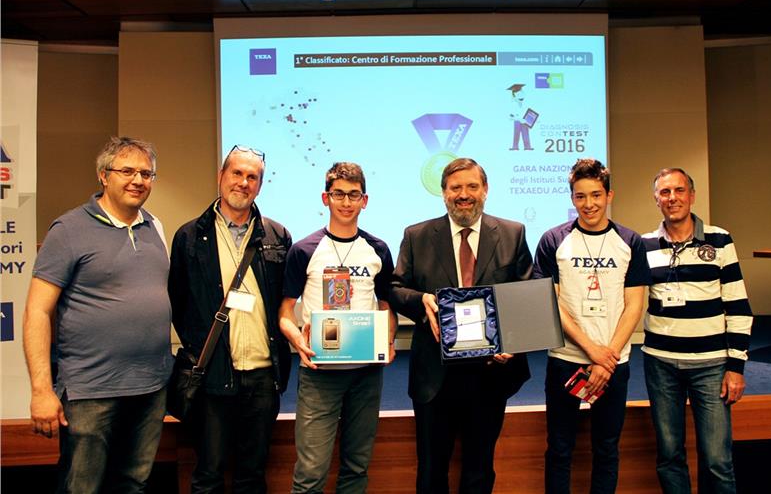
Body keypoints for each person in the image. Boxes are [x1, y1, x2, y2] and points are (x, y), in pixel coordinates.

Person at [22, 136, 172, 493]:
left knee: (133, 484)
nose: (138, 180)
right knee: (82, 487)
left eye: (146, 173)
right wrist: (41, 389)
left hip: (151, 387)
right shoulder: (69, 229)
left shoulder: (155, 226)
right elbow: (37, 311)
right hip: (91, 390)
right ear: (104, 176)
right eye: (127, 171)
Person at [388, 157, 533, 493]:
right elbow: (395, 289)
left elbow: (526, 294)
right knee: (431, 472)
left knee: (479, 471)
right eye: (455, 188)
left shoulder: (512, 233)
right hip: (435, 375)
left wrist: (512, 342)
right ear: (443, 193)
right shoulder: (417, 236)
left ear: (485, 190)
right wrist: (421, 301)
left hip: (490, 373)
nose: (464, 194)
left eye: (472, 186)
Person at [168, 144, 292, 493]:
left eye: (252, 177)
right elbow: (178, 301)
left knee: (252, 475)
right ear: (220, 176)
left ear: (260, 186)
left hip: (263, 377)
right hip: (213, 374)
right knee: (209, 474)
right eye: (236, 173)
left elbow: (284, 300)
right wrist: (201, 348)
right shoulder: (189, 236)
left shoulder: (277, 235)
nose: (243, 182)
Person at [533, 158, 650, 494]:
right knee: (559, 448)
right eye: (580, 196)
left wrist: (606, 357)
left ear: (609, 195)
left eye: (596, 195)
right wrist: (591, 350)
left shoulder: (630, 241)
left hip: (613, 364)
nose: (589, 204)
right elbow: (551, 302)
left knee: (607, 448)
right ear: (572, 198)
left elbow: (634, 305)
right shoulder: (553, 240)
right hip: (566, 359)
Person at [279, 162, 397, 493]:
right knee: (311, 472)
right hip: (320, 374)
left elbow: (387, 307)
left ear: (364, 200)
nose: (346, 202)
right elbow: (285, 312)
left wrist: (388, 340)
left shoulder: (378, 250)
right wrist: (298, 341)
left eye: (354, 195)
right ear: (325, 198)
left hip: (366, 374)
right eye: (338, 194)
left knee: (356, 467)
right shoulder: (304, 250)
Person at [642, 168, 752, 494]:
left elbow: (738, 306)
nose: (672, 198)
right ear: (656, 199)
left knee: (717, 459)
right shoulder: (644, 245)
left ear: (692, 195)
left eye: (679, 190)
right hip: (661, 364)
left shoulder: (720, 240)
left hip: (711, 365)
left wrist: (736, 367)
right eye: (665, 192)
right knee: (669, 456)